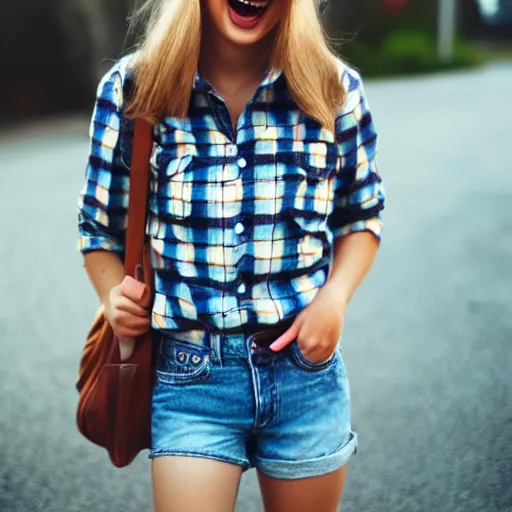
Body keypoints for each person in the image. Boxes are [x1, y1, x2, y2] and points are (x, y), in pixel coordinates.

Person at [77, 0, 385, 510]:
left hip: (305, 376)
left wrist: (335, 298)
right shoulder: (134, 90)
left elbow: (362, 213)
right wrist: (113, 296)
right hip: (192, 380)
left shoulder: (334, 89)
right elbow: (99, 225)